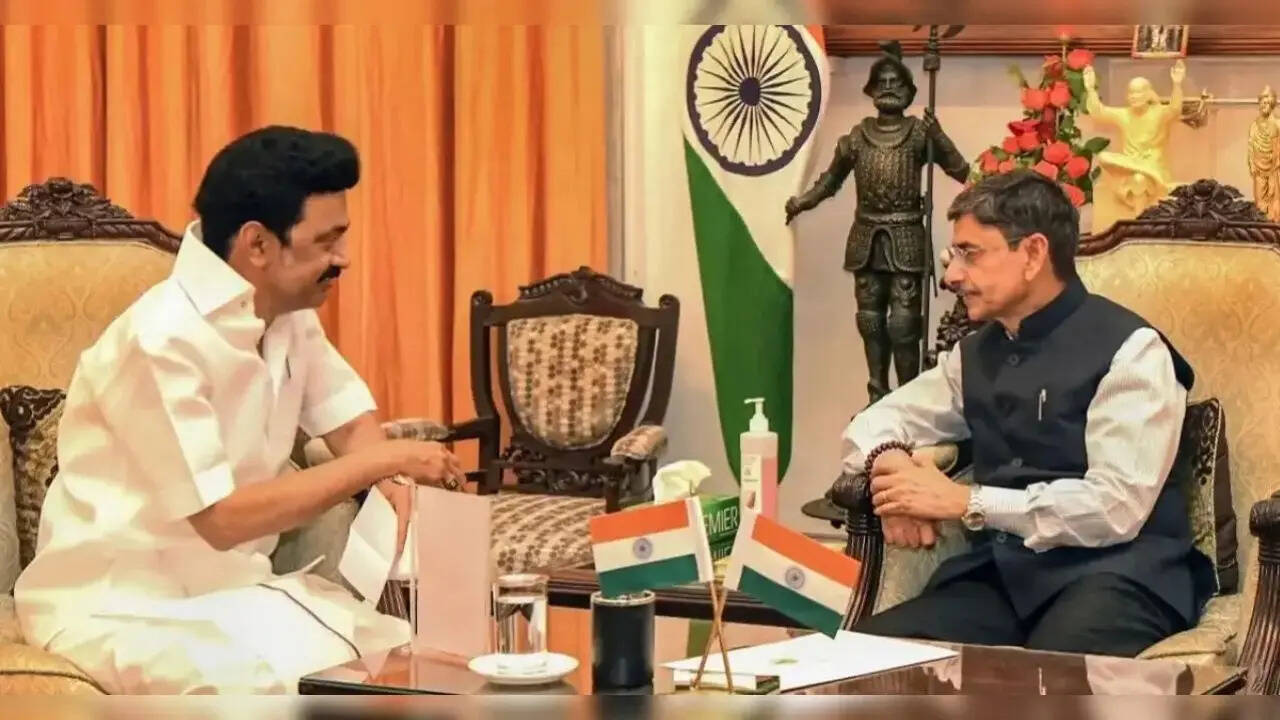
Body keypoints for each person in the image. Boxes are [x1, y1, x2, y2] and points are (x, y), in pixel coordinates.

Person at [14, 126, 466, 693]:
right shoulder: (160, 340)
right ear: (258, 245)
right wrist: (382, 463)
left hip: (232, 589)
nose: (344, 259)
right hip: (120, 602)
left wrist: (392, 481)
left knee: (404, 662)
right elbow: (222, 519)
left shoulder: (289, 314)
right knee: (269, 691)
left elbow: (349, 422)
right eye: (326, 242)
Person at [844, 170, 1215, 657]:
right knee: (864, 658)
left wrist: (966, 502)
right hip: (1000, 579)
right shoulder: (974, 354)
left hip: (1117, 577)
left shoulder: (1132, 351)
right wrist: (895, 475)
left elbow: (1115, 508)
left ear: (1034, 253)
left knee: (1045, 683)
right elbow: (871, 424)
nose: (952, 276)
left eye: (970, 254)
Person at [785, 40, 969, 404]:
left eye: (895, 82)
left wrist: (938, 136)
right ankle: (877, 393)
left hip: (906, 233)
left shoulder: (918, 133)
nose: (888, 88)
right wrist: (802, 201)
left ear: (908, 90)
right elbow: (830, 180)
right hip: (866, 235)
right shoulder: (857, 137)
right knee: (870, 319)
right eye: (882, 82)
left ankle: (909, 396)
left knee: (903, 323)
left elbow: (960, 169)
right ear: (871, 90)